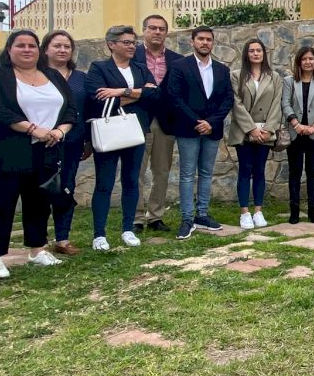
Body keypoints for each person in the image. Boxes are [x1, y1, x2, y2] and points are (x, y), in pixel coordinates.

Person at [0, 30, 78, 277]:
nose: (27, 50)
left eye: (32, 45)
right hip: (7, 150)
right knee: (1, 203)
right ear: (9, 50)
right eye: (20, 45)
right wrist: (34, 129)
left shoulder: (52, 75)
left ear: (39, 50)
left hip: (46, 150)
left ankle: (37, 249)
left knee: (39, 202)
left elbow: (70, 109)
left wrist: (59, 131)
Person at [85, 25, 155, 251]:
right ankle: (99, 234)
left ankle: (128, 229)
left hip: (135, 132)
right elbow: (97, 97)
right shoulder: (99, 67)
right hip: (109, 132)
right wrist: (137, 94)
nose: (132, 46)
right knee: (104, 183)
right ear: (111, 44)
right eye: (126, 42)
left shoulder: (140, 68)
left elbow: (154, 94)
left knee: (131, 181)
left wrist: (119, 92)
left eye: (134, 42)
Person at [166, 25, 234, 239]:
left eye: (208, 39)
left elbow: (228, 99)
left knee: (206, 173)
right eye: (201, 39)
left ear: (213, 43)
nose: (205, 42)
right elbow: (174, 97)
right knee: (187, 174)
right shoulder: (179, 66)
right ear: (192, 41)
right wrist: (197, 122)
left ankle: (202, 214)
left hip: (212, 130)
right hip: (188, 128)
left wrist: (211, 123)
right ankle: (187, 218)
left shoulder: (222, 69)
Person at [227, 38, 284, 230]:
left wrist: (268, 129)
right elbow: (236, 103)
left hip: (265, 132)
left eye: (258, 50)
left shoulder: (274, 77)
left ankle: (258, 211)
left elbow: (276, 104)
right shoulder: (236, 76)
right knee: (245, 169)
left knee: (260, 170)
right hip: (244, 132)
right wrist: (251, 129)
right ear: (246, 53)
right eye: (251, 50)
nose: (255, 53)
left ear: (263, 53)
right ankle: (244, 213)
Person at [40, 29, 88, 256]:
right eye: (57, 45)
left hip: (73, 141)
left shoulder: (80, 78)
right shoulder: (37, 75)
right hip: (43, 141)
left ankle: (62, 238)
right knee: (41, 190)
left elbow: (87, 110)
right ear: (46, 49)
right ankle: (38, 240)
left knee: (66, 188)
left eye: (67, 46)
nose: (62, 50)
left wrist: (88, 140)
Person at [133, 14, 183, 233]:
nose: (157, 32)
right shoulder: (132, 56)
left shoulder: (177, 60)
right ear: (144, 30)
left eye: (161, 29)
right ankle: (135, 217)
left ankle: (155, 216)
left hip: (165, 121)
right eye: (152, 28)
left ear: (166, 33)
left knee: (162, 171)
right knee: (136, 171)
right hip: (138, 120)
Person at [282, 46, 314, 224]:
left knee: (312, 171)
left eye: (311, 59)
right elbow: (285, 104)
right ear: (299, 62)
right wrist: (296, 124)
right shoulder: (289, 81)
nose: (308, 62)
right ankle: (294, 210)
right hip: (295, 134)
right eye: (304, 59)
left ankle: (312, 210)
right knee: (294, 172)